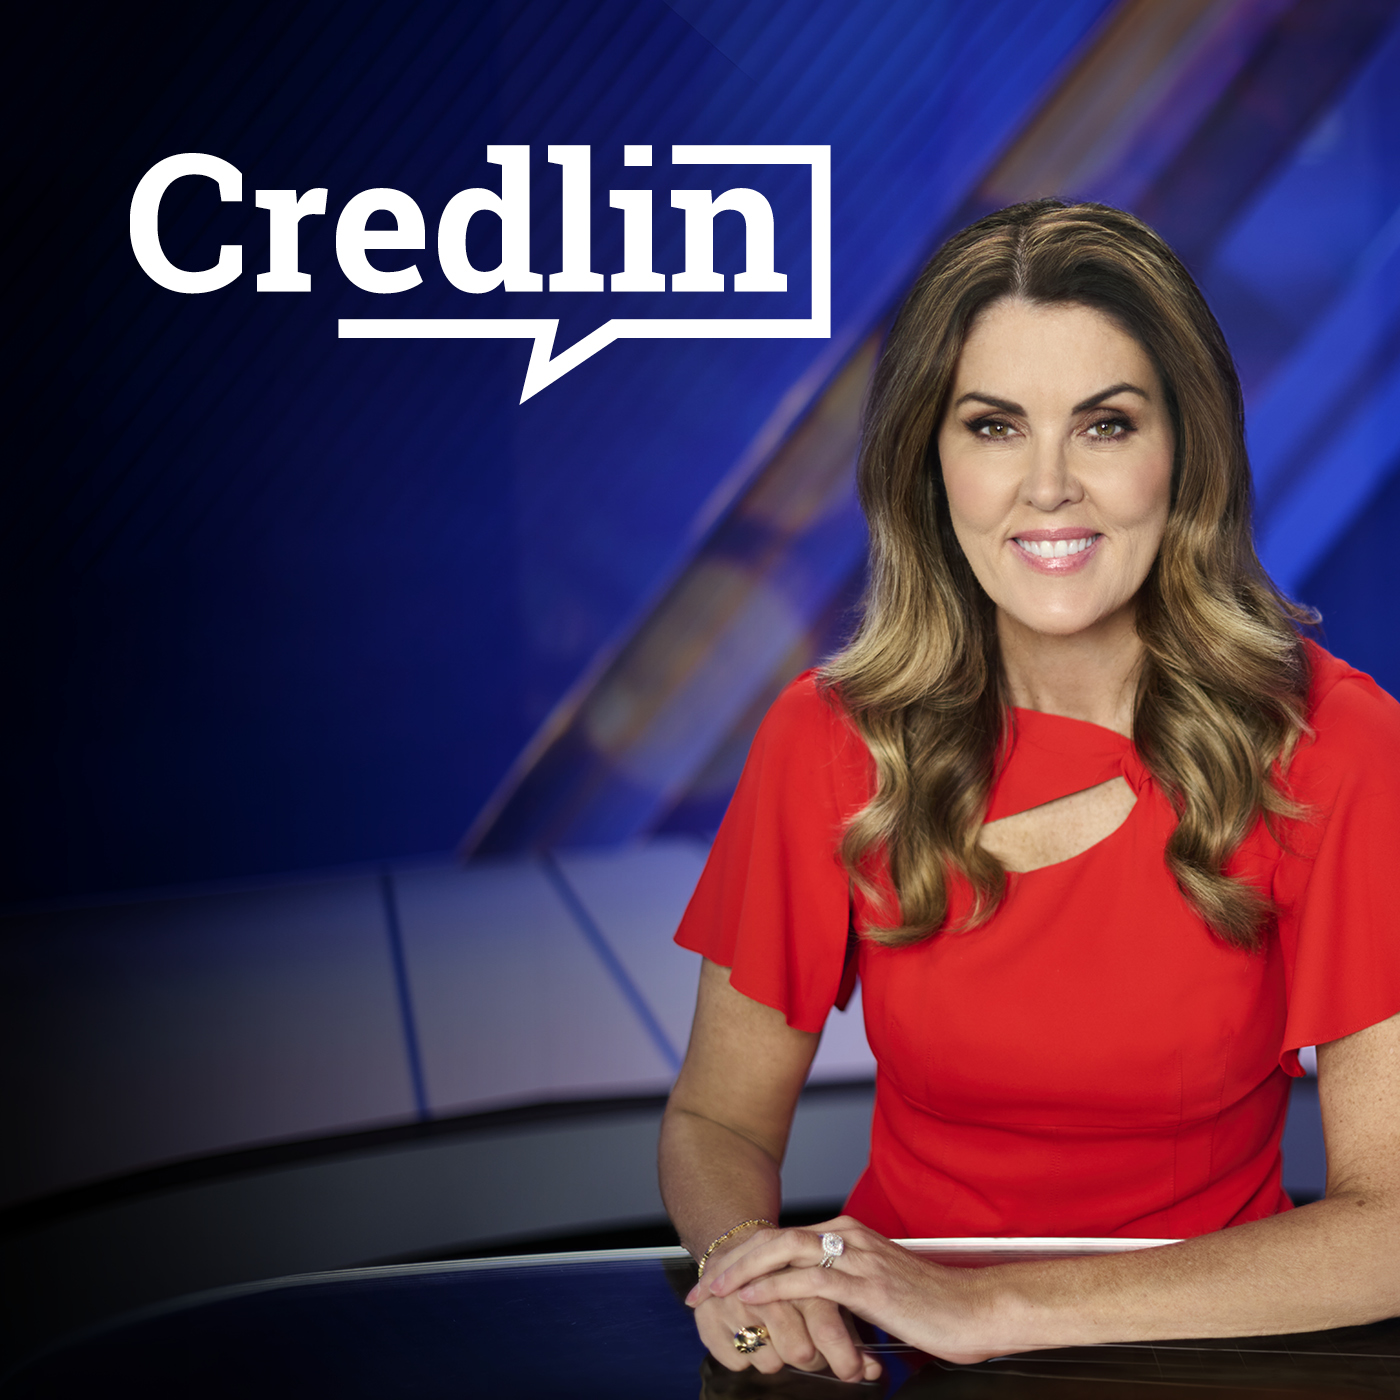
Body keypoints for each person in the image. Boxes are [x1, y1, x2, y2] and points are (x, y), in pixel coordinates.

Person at [657, 199, 1400, 1384]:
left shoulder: (1335, 745)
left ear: (1185, 452)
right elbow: (718, 1120)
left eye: (1104, 424)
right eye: (993, 425)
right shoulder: (827, 738)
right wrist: (746, 1271)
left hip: (1211, 1353)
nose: (1047, 486)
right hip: (894, 1351)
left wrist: (988, 1305)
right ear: (929, 459)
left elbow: (1390, 1229)